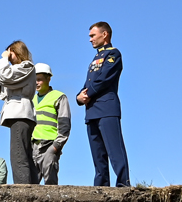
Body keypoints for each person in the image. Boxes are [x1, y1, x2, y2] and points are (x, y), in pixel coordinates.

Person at [76, 21, 129, 187]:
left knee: (115, 150)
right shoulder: (95, 58)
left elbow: (104, 78)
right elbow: (89, 82)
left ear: (104, 34)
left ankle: (123, 185)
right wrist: (79, 97)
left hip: (107, 109)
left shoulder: (113, 54)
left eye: (93, 35)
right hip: (92, 111)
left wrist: (87, 94)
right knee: (98, 154)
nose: (90, 39)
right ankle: (101, 187)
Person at [0, 40, 37, 184]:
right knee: (24, 153)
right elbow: (2, 92)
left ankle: (23, 189)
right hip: (18, 113)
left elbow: (6, 76)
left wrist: (3, 60)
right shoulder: (18, 71)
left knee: (18, 155)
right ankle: (31, 187)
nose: (8, 56)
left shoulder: (26, 67)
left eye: (10, 53)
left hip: (21, 114)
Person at [31, 64, 71, 185]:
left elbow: (65, 125)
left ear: (48, 79)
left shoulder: (59, 97)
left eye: (39, 79)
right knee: (30, 184)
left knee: (50, 183)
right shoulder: (31, 99)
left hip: (50, 145)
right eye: (34, 80)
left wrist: (56, 147)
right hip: (33, 146)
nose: (36, 83)